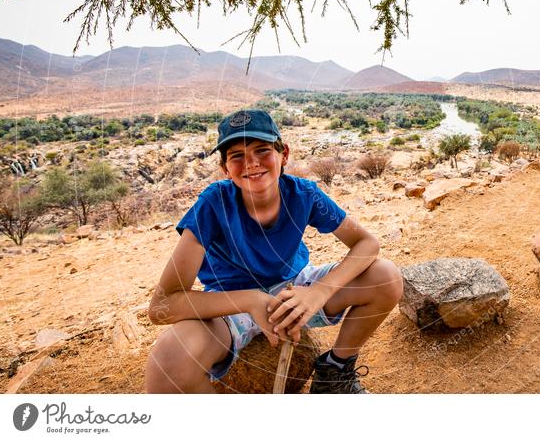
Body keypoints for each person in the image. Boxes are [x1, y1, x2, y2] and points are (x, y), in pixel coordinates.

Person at [144, 109, 403, 393]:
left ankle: (335, 371)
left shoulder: (304, 194)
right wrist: (253, 301)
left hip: (294, 290)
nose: (251, 163)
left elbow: (368, 244)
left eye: (262, 150)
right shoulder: (212, 205)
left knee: (386, 277)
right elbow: (162, 306)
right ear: (225, 168)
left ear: (284, 154)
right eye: (237, 156)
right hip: (230, 305)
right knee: (169, 362)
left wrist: (319, 291)